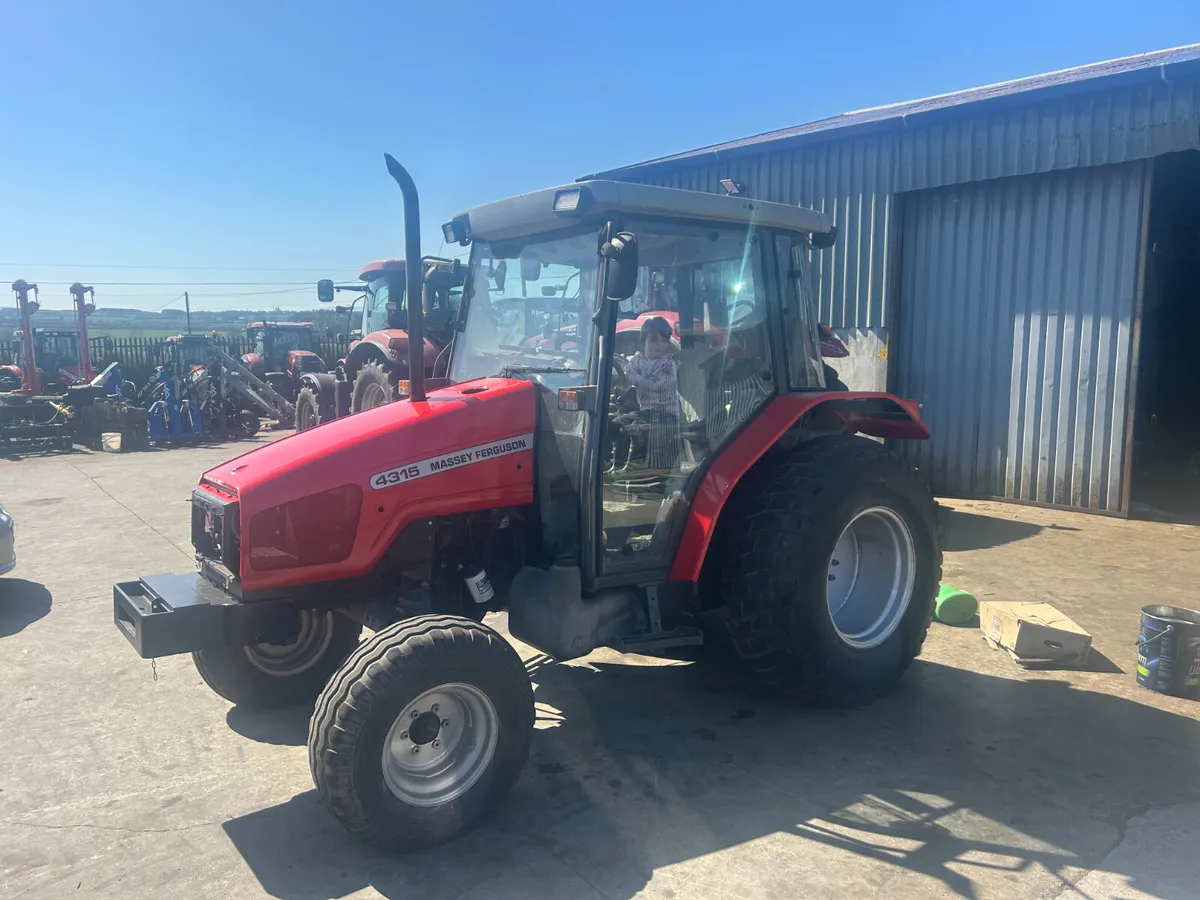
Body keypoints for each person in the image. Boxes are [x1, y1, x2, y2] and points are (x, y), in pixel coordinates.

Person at [610, 316, 680, 471]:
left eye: (664, 341)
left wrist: (633, 378)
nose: (659, 346)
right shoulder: (636, 361)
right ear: (643, 343)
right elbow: (626, 384)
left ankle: (636, 464)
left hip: (666, 413)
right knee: (617, 423)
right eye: (654, 341)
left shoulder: (669, 363)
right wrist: (620, 381)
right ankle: (618, 464)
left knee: (637, 425)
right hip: (646, 412)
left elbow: (653, 384)